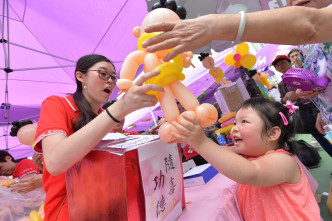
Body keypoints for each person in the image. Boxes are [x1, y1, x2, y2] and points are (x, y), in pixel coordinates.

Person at [142, 0, 332, 135]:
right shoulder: (307, 47)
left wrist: (213, 26)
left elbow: (310, 25)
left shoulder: (317, 24)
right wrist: (322, 109)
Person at [32, 54, 163, 221]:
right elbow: (55, 163)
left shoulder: (106, 118)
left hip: (109, 208)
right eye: (103, 74)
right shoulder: (57, 104)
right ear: (81, 76)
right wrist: (119, 108)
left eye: (114, 78)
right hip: (69, 210)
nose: (110, 81)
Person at [170, 97, 320, 220]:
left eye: (244, 122)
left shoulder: (283, 161)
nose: (234, 128)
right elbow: (219, 153)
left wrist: (201, 142)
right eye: (235, 122)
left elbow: (250, 173)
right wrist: (191, 142)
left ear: (272, 134)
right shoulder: (248, 154)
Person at [273, 55, 332, 157]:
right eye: (277, 65)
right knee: (322, 138)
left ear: (289, 62)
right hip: (305, 116)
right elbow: (282, 100)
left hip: (319, 107)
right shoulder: (282, 84)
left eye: (283, 62)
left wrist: (304, 93)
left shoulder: (303, 71)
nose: (280, 66)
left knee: (327, 134)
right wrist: (287, 96)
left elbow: (318, 87)